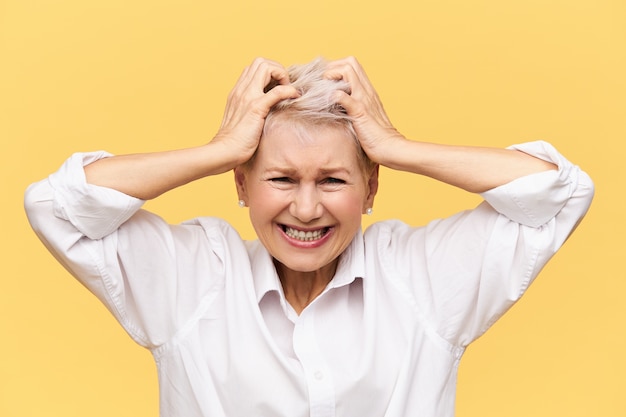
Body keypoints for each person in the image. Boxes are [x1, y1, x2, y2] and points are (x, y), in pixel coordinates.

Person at [24, 56, 594, 417]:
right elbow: (56, 204)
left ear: (370, 190)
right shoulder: (195, 275)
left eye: (332, 180)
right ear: (242, 184)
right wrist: (220, 149)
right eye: (280, 178)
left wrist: (395, 147)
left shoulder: (418, 274)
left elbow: (558, 193)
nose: (305, 208)